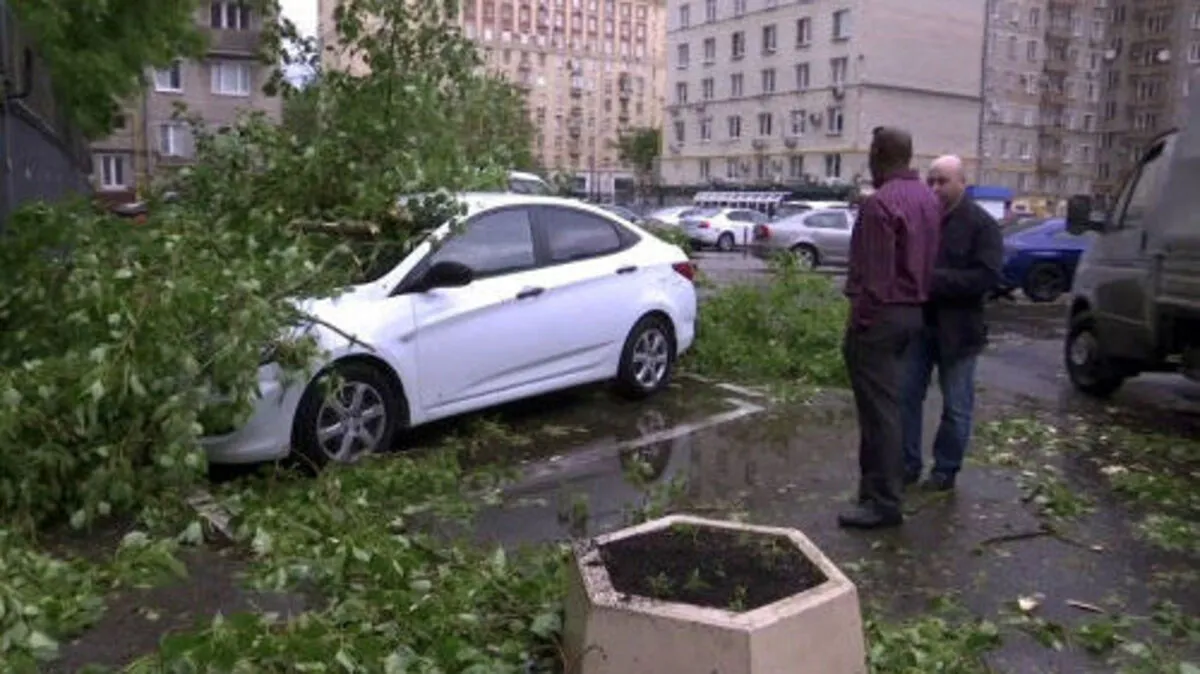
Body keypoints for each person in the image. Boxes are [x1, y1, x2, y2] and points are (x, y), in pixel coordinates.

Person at [839, 127, 943, 529]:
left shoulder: (880, 204)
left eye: (870, 150)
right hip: (913, 314)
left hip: (880, 318)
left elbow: (876, 278)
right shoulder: (928, 200)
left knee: (879, 412)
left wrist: (861, 322)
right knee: (888, 406)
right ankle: (875, 490)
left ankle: (884, 502)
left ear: (879, 153)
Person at [901, 155, 1004, 491]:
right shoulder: (924, 220)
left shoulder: (981, 225)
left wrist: (933, 281)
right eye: (930, 181)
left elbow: (987, 277)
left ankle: (945, 470)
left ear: (962, 182)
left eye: (942, 181)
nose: (935, 188)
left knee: (957, 407)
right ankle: (907, 464)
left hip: (959, 333)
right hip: (920, 326)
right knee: (906, 396)